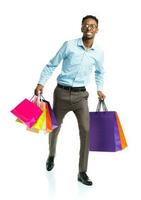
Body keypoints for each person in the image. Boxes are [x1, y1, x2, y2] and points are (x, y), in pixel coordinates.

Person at [34, 15, 106, 186]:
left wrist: (99, 88)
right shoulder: (69, 45)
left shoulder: (99, 53)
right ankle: (51, 155)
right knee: (54, 128)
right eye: (86, 25)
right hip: (62, 94)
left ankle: (82, 172)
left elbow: (100, 72)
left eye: (93, 26)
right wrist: (40, 83)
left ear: (97, 30)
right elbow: (52, 64)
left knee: (86, 131)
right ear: (81, 27)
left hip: (82, 97)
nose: (89, 28)